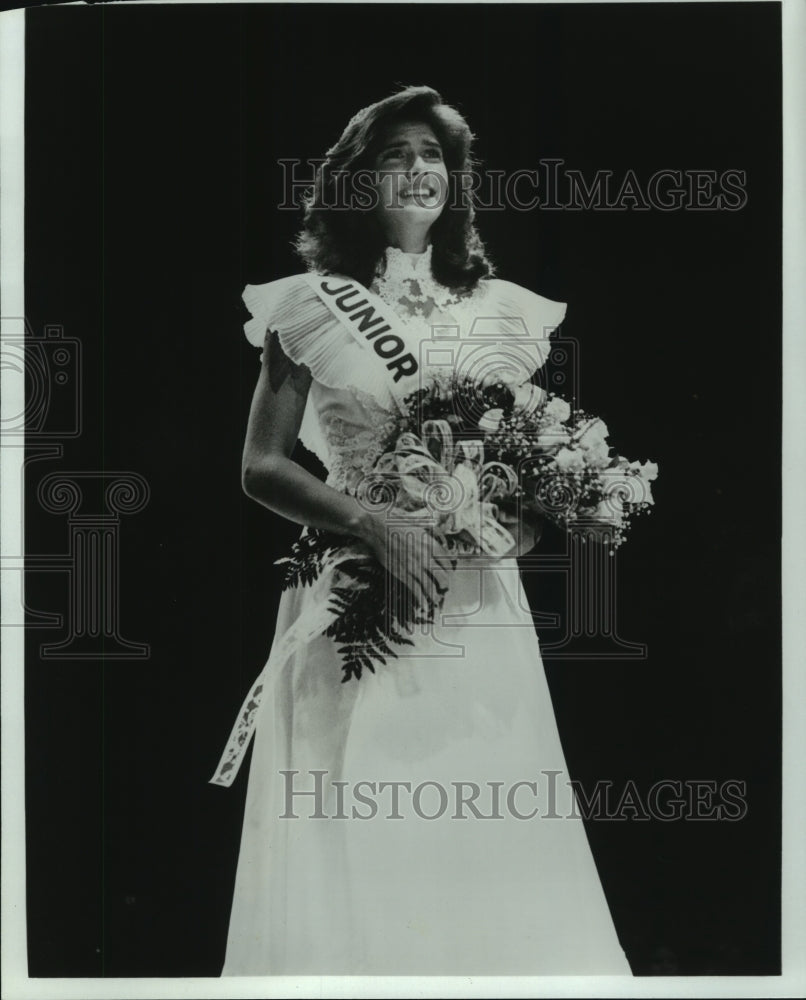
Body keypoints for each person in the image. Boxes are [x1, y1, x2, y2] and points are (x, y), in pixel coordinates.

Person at [211, 85, 631, 976]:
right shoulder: (312, 305)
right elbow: (261, 466)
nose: (418, 169)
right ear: (358, 180)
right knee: (363, 810)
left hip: (476, 606)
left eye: (433, 155)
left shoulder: (504, 312)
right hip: (361, 593)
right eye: (396, 153)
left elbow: (526, 480)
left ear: (456, 182)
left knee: (488, 816)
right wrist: (377, 522)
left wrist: (522, 519)